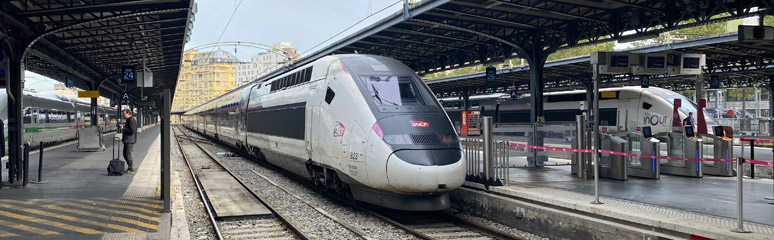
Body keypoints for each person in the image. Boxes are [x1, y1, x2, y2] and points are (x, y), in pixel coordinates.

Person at [121, 109, 138, 174]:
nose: (124, 115)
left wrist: (123, 129)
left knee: (128, 154)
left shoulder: (132, 120)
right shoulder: (129, 120)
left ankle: (131, 168)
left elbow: (132, 131)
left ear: (128, 113)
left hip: (130, 140)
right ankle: (129, 167)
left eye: (125, 114)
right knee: (125, 154)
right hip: (127, 140)